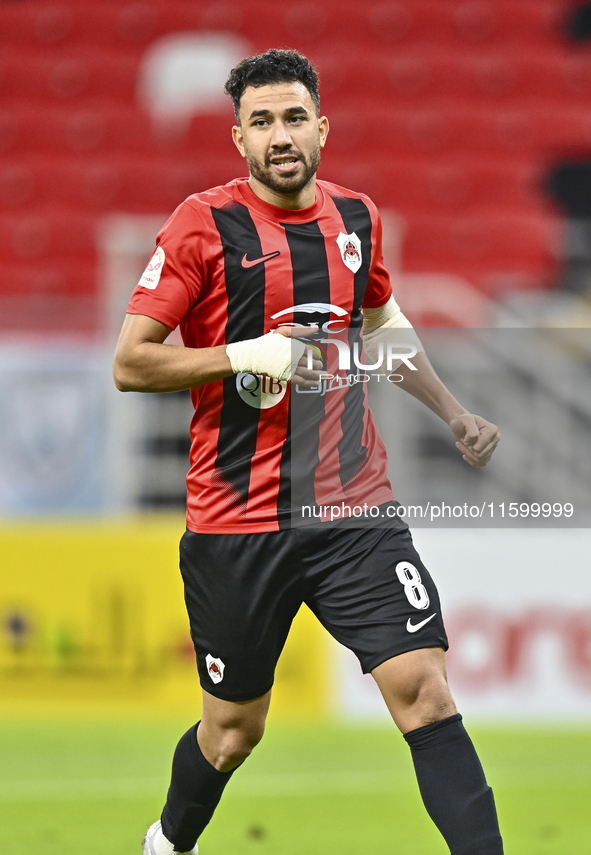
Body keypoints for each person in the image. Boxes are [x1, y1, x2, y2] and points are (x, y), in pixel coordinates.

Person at [113, 49, 503, 855]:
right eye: (262, 122)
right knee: (231, 732)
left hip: (352, 505)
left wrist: (452, 410)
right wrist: (245, 353)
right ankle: (170, 841)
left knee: (424, 692)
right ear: (238, 139)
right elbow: (131, 361)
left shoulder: (356, 218)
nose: (280, 135)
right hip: (236, 521)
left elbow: (383, 325)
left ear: (322, 127)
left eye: (294, 117)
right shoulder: (202, 224)